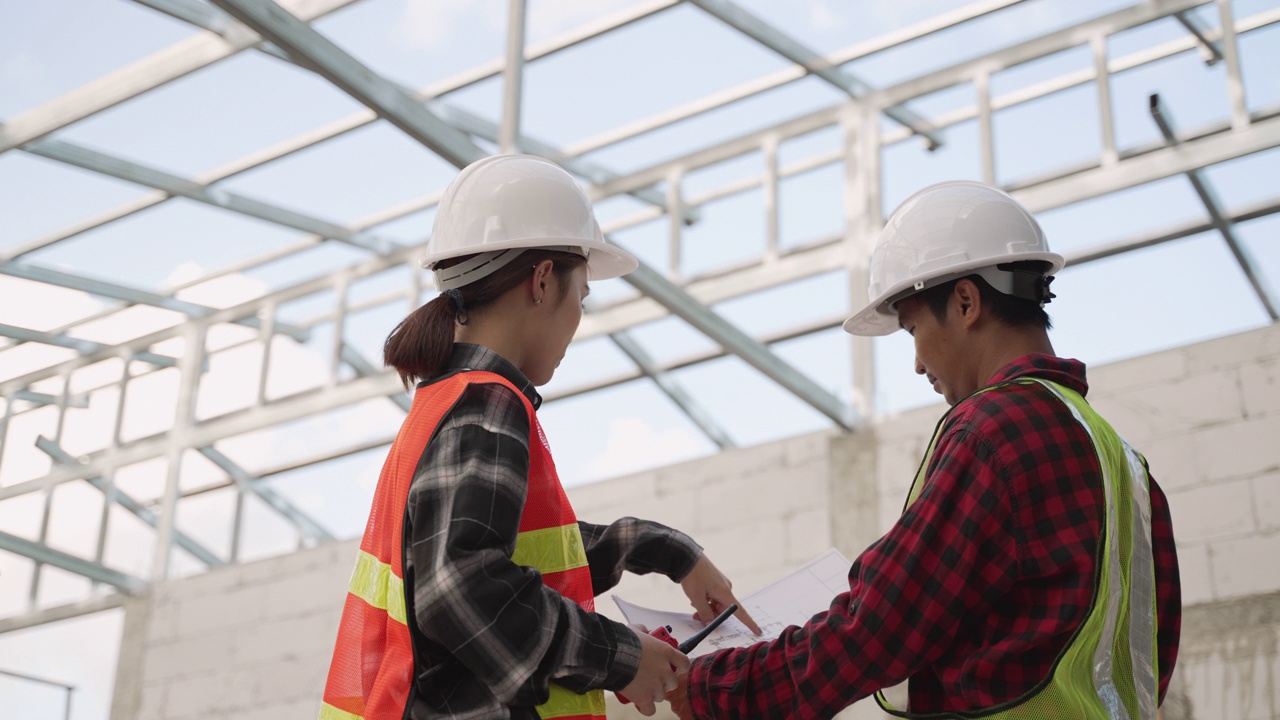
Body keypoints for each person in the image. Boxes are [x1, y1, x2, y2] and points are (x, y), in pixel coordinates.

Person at [668, 180, 1181, 719]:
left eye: (913, 328)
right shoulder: (1122, 460)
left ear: (965, 302)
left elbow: (880, 627)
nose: (916, 363)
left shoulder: (993, 431)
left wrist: (712, 687)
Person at [318, 154, 760, 720]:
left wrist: (667, 551)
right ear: (543, 281)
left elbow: (516, 558)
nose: (578, 318)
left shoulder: (446, 400)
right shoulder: (488, 404)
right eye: (582, 296)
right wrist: (621, 657)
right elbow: (459, 588)